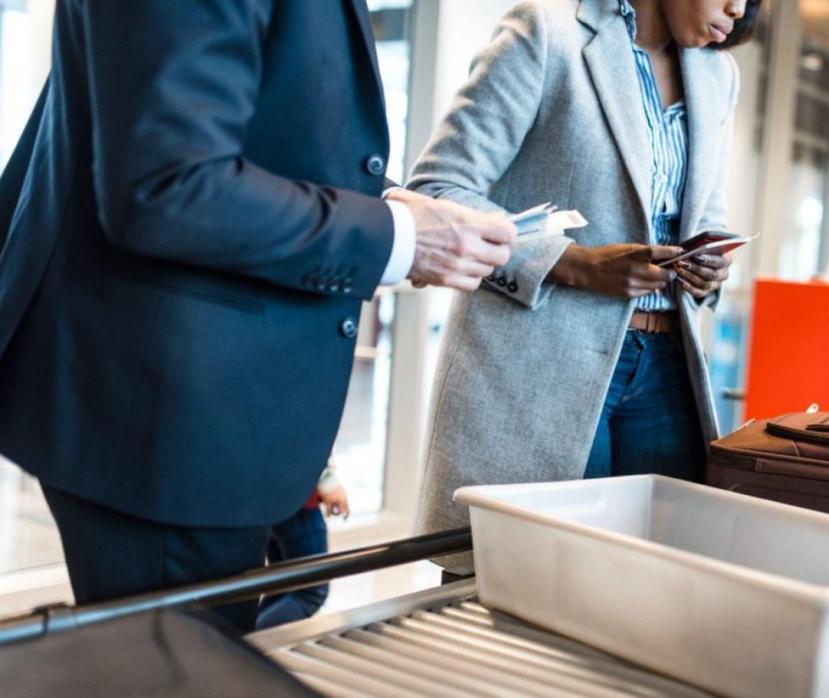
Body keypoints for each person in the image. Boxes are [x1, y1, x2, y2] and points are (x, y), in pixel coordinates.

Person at [0, 1, 515, 631]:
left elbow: (248, 143)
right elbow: (168, 187)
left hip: (197, 405)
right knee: (175, 675)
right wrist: (396, 239)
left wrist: (382, 210)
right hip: (161, 419)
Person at [407, 0, 761, 574]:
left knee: (652, 584)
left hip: (668, 368)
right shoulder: (545, 34)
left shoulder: (718, 75)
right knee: (529, 582)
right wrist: (574, 264)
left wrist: (710, 270)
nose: (737, 8)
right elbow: (439, 192)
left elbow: (705, 213)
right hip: (541, 366)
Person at [256, 462, 349, 630]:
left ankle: (243, 644)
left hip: (269, 496)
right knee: (311, 592)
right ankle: (245, 644)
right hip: (298, 500)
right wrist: (327, 480)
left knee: (282, 587)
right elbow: (304, 441)